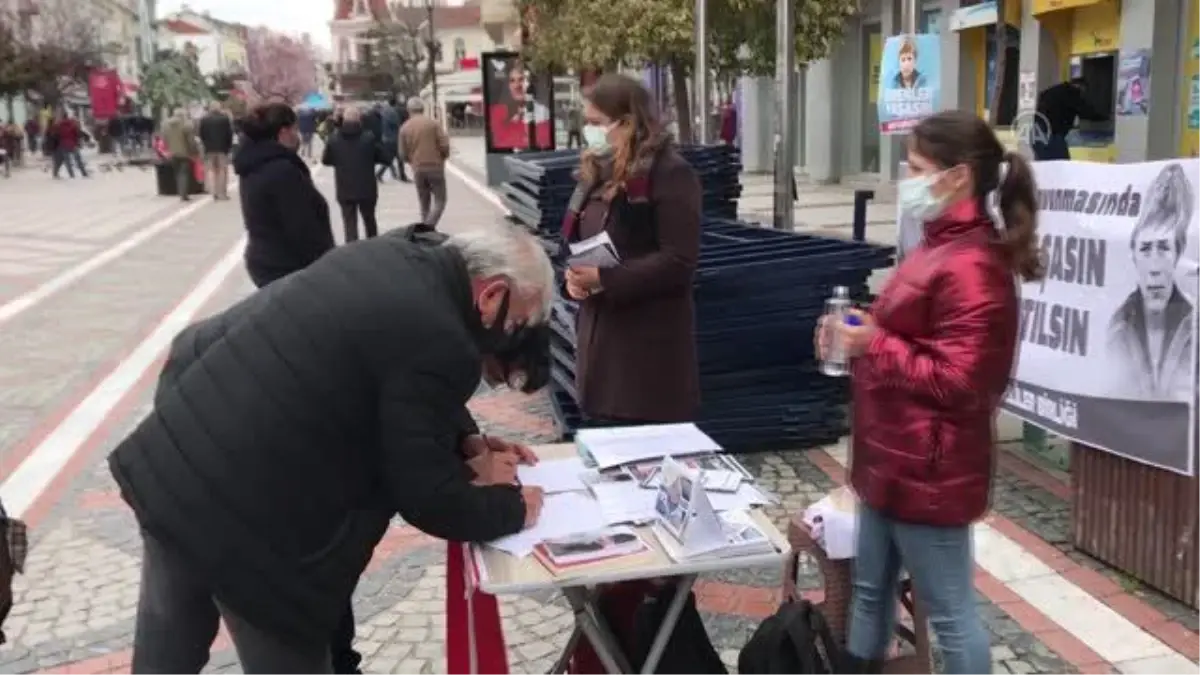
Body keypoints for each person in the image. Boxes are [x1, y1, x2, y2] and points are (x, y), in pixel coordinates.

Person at [108, 223, 554, 675]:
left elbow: (392, 381)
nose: (512, 333)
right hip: (254, 528)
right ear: (493, 295)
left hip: (175, 465)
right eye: (518, 320)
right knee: (288, 654)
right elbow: (427, 497)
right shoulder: (444, 338)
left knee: (166, 653)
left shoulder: (403, 253)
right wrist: (512, 508)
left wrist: (464, 441)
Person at [817, 110, 1041, 674]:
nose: (905, 178)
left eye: (916, 167)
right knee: (869, 591)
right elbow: (912, 333)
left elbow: (968, 381)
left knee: (950, 616)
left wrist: (876, 344)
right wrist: (859, 331)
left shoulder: (974, 264)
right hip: (887, 461)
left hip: (931, 471)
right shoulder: (936, 245)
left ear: (957, 176)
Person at [559, 73, 702, 675]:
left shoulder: (670, 173)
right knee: (612, 497)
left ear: (626, 118)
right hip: (602, 342)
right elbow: (581, 239)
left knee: (650, 499)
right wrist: (577, 278)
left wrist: (609, 281)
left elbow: (680, 259)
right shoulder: (596, 171)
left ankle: (654, 630)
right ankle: (615, 631)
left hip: (649, 359)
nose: (589, 126)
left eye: (598, 117)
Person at [1107, 163, 1195, 400]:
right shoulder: (1118, 327)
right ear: (1133, 254)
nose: (1155, 267)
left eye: (1164, 248)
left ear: (1179, 253)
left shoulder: (1195, 326)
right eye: (1146, 249)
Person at [234, 102, 335, 288]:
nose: (297, 136)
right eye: (295, 130)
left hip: (265, 258)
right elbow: (301, 225)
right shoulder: (282, 171)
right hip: (287, 265)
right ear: (283, 133)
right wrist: (325, 266)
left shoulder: (254, 164)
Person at [322, 106, 384, 242]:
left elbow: (325, 160)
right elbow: (381, 156)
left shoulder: (334, 138)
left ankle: (351, 250)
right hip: (367, 187)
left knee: (349, 224)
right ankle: (373, 247)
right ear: (360, 119)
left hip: (345, 187)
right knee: (370, 221)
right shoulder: (369, 138)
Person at [399, 97, 451, 228]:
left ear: (409, 110)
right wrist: (443, 157)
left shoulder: (404, 128)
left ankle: (425, 227)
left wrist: (411, 161)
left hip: (418, 168)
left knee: (424, 201)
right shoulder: (433, 124)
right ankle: (428, 227)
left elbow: (402, 154)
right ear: (423, 109)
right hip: (435, 166)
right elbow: (444, 144)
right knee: (440, 200)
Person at [1033, 78, 1108, 161]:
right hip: (1052, 135)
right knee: (1063, 164)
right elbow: (1085, 111)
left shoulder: (1051, 91)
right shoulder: (1071, 93)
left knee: (1044, 164)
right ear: (1080, 86)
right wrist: (1104, 118)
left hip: (1037, 132)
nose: (1083, 94)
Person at [487, 59, 551, 150]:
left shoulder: (543, 112)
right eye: (512, 81)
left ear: (530, 83)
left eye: (521, 79)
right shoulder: (500, 113)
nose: (516, 86)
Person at [199, 101, 235, 200]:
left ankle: (214, 192)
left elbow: (201, 134)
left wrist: (205, 145)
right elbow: (229, 134)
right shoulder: (224, 119)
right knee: (222, 171)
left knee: (212, 171)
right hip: (222, 149)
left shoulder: (204, 119)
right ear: (219, 108)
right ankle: (222, 193)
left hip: (209, 149)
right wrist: (229, 147)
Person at [161, 109, 198, 199]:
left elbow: (164, 139)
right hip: (184, 153)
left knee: (177, 173)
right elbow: (191, 141)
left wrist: (168, 149)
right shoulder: (186, 125)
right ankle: (184, 194)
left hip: (172, 153)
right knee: (184, 173)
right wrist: (194, 151)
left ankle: (180, 191)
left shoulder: (165, 125)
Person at [49, 110, 89, 179]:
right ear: (67, 116)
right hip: (73, 144)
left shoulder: (58, 125)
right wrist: (79, 141)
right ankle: (84, 173)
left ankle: (72, 175)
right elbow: (77, 133)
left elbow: (55, 135)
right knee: (78, 160)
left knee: (67, 162)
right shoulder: (72, 124)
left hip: (63, 145)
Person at [375, 97, 406, 182]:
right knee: (395, 158)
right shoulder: (392, 112)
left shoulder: (385, 111)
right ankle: (401, 176)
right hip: (393, 138)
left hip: (387, 137)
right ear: (395, 104)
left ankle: (401, 175)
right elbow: (397, 124)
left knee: (393, 158)